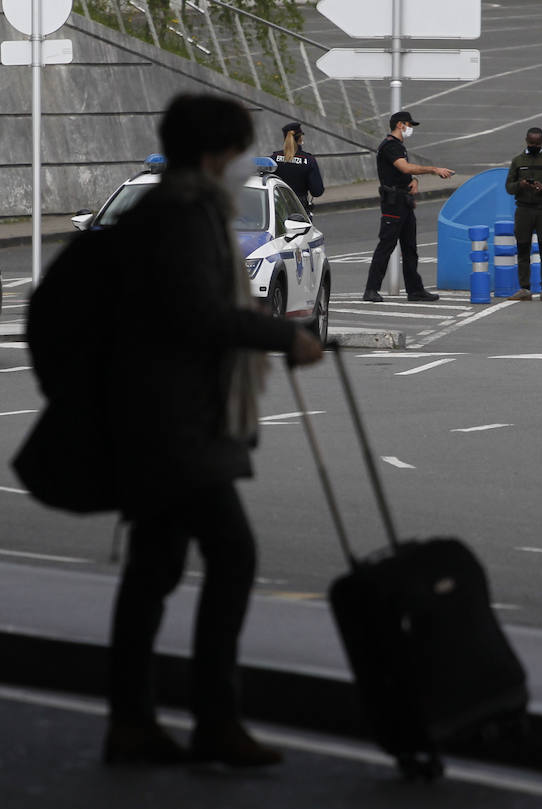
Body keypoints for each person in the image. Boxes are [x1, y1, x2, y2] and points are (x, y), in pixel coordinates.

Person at [102, 93, 324, 768]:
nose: (242, 166)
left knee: (154, 566)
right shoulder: (187, 214)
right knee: (231, 555)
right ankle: (212, 718)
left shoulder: (165, 209)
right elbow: (197, 318)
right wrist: (281, 334)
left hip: (155, 414)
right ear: (212, 154)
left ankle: (135, 719)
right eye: (237, 152)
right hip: (179, 419)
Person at [362, 110, 455, 303]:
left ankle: (415, 290)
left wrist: (414, 180)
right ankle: (371, 289)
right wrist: (433, 169)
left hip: (404, 202)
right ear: (399, 125)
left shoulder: (398, 146)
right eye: (409, 125)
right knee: (386, 246)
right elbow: (404, 167)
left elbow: (403, 173)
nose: (410, 128)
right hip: (393, 204)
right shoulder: (390, 146)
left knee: (410, 248)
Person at [503, 127, 542, 302]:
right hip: (524, 209)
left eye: (537, 143)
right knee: (523, 249)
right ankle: (524, 289)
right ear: (526, 141)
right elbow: (508, 187)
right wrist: (520, 185)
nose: (534, 145)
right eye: (531, 143)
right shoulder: (518, 160)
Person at [270, 122, 324, 213]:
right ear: (300, 138)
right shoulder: (308, 160)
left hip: (278, 208)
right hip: (300, 208)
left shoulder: (274, 158)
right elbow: (317, 191)